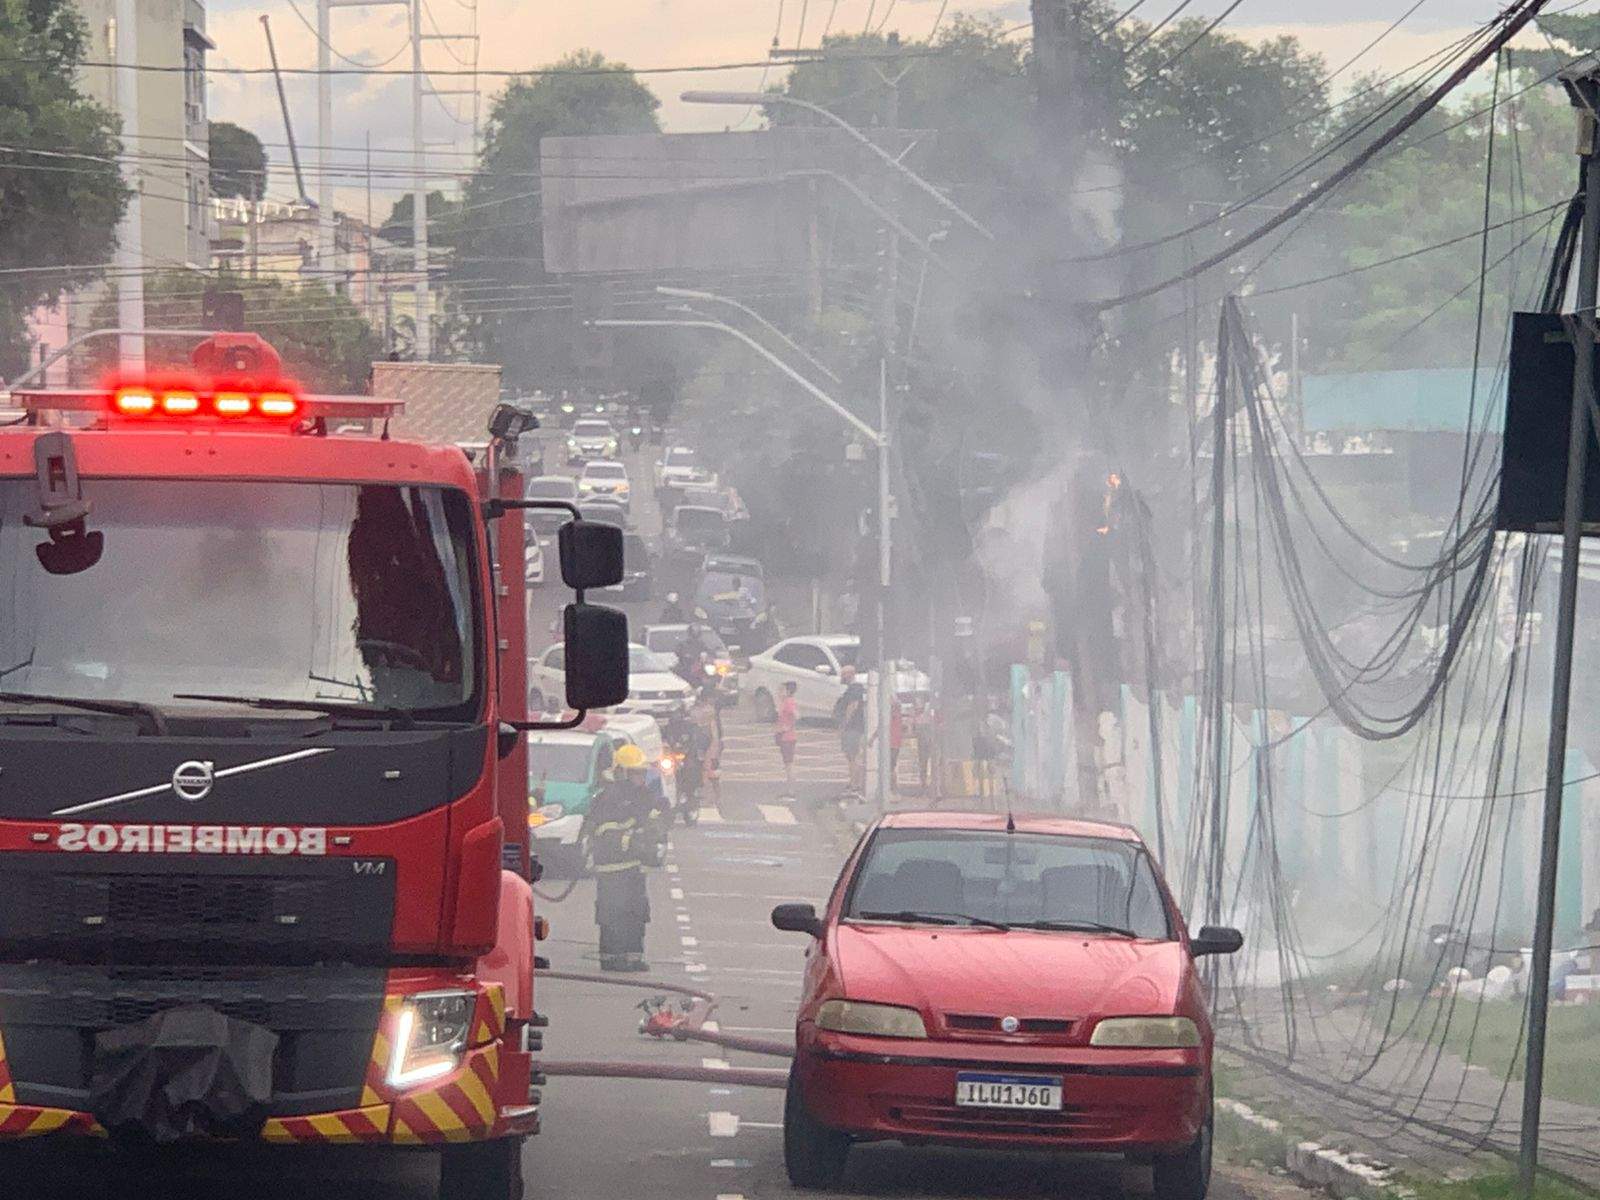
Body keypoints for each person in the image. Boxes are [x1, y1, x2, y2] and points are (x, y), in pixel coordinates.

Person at [585, 743, 662, 972]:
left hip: (634, 868)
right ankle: (611, 957)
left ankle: (633, 956)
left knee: (636, 912)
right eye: (635, 773)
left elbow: (652, 822)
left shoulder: (643, 796)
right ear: (621, 772)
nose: (640, 778)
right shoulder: (608, 798)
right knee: (612, 913)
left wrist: (654, 833)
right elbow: (603, 831)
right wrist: (631, 840)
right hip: (611, 869)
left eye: (642, 773)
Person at [833, 665, 867, 795]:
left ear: (850, 674)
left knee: (853, 756)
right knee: (850, 756)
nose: (841, 677)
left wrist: (845, 724)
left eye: (843, 674)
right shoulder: (851, 689)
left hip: (853, 727)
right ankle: (853, 782)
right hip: (851, 727)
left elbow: (853, 706)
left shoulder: (855, 689)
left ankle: (855, 785)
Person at [774, 680, 799, 799]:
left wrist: (788, 727)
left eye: (782, 690)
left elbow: (795, 715)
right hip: (784, 737)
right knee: (787, 764)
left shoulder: (789, 702)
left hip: (787, 737)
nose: (779, 692)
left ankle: (791, 791)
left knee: (789, 765)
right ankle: (790, 790)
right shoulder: (786, 702)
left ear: (788, 691)